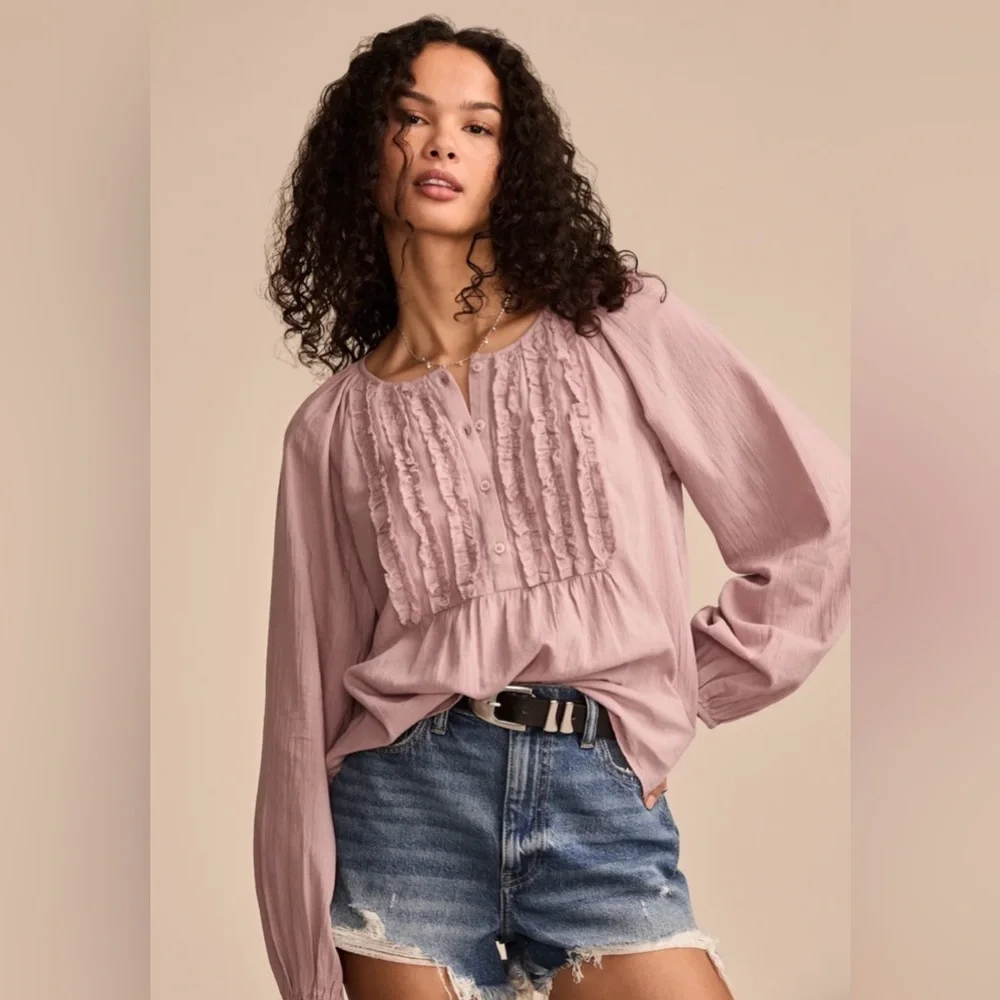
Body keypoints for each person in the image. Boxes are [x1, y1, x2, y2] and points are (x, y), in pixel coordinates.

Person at [252, 15, 850, 1000]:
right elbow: (301, 706)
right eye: (411, 117)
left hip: (593, 798)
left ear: (511, 162)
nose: (442, 144)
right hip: (401, 809)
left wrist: (678, 695)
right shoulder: (329, 427)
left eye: (477, 126)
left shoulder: (617, 328)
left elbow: (811, 525)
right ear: (364, 152)